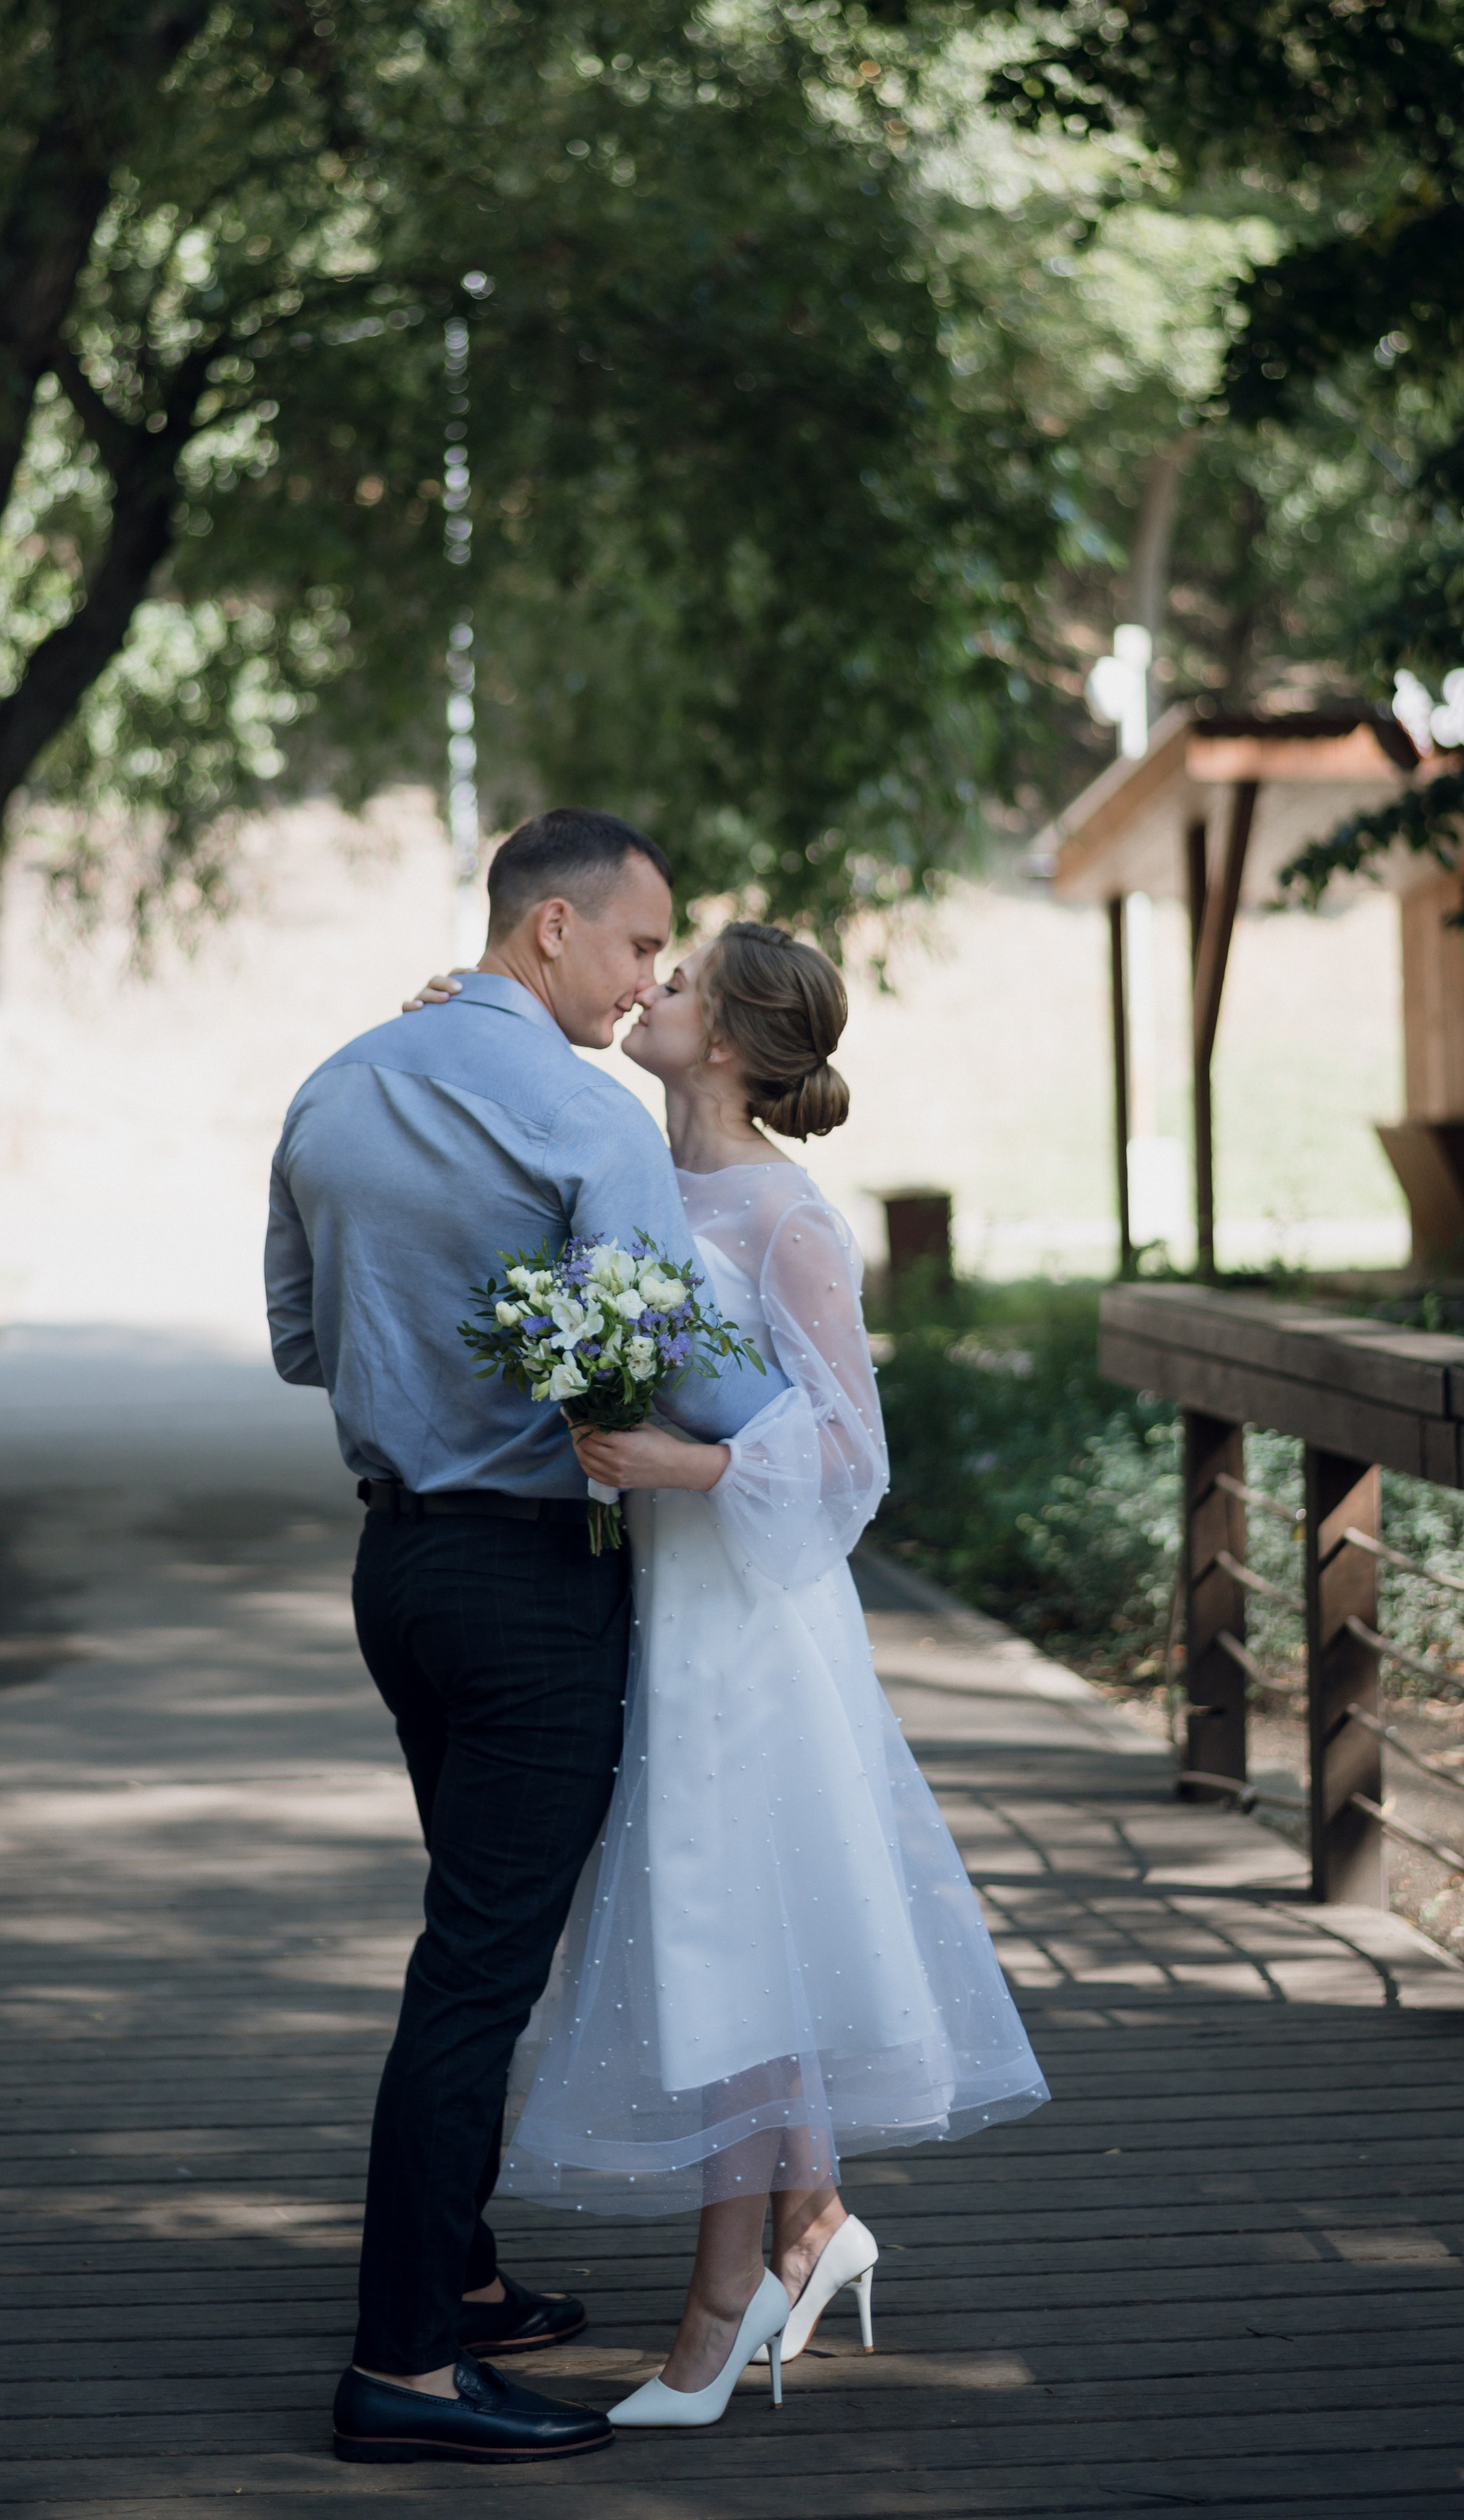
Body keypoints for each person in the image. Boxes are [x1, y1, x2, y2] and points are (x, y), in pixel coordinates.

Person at [405, 919, 1048, 2431]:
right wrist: (455, 1014)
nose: (649, 989)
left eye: (678, 982)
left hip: (754, 1619)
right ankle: (811, 2223)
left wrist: (673, 1459)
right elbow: (514, 1107)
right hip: (660, 1600)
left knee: (725, 1923)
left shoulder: (784, 1217)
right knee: (729, 1914)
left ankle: (722, 2302)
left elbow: (848, 1457)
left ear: (740, 1043)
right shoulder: (639, 1166)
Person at [265, 808, 779, 2468]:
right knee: (474, 1973)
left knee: (465, 1929)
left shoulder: (334, 1083)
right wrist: (809, 1422)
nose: (650, 982)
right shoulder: (581, 1113)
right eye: (639, 945)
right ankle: (402, 2366)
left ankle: (461, 2279)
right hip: (532, 1590)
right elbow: (678, 1370)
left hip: (395, 1576)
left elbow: (295, 1337)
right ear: (548, 928)